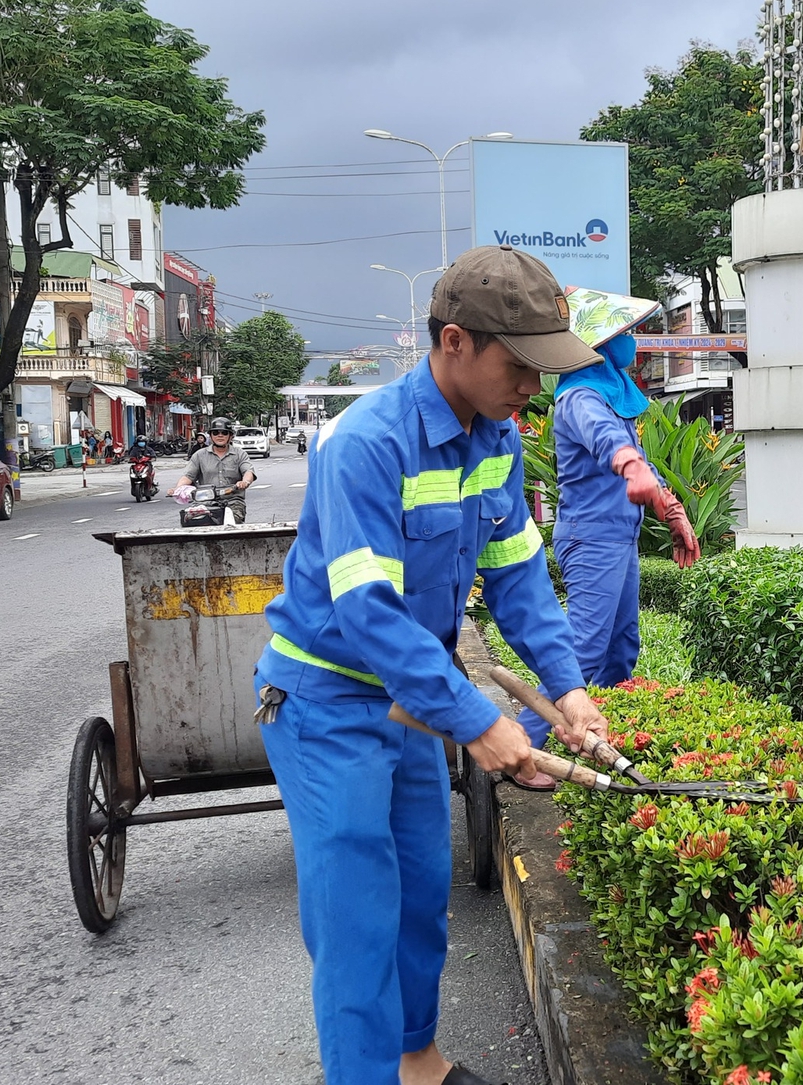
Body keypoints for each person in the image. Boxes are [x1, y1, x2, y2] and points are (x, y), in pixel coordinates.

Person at [252, 245, 609, 1085]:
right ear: (455, 342)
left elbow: (520, 578)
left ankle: (416, 1058)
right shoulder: (364, 444)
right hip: (327, 699)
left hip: (416, 703)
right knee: (358, 920)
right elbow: (367, 611)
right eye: (520, 365)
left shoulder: (498, 441)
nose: (535, 387)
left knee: (420, 897)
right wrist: (483, 723)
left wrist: (569, 691)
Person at [532, 288, 701, 787]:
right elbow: (611, 445)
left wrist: (672, 511)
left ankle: (600, 738)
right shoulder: (579, 397)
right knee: (582, 651)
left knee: (620, 649)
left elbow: (639, 461)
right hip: (592, 539)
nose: (632, 342)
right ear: (601, 345)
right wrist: (629, 465)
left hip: (616, 538)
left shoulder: (608, 396)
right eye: (624, 334)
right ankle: (525, 750)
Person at [172, 416, 256, 522]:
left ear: (231, 436)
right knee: (191, 521)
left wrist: (245, 482)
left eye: (224, 433)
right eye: (216, 433)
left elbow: (248, 471)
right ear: (211, 436)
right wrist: (178, 489)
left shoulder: (239, 454)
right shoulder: (199, 455)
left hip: (232, 501)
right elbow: (188, 476)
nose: (220, 436)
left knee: (231, 523)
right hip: (203, 502)